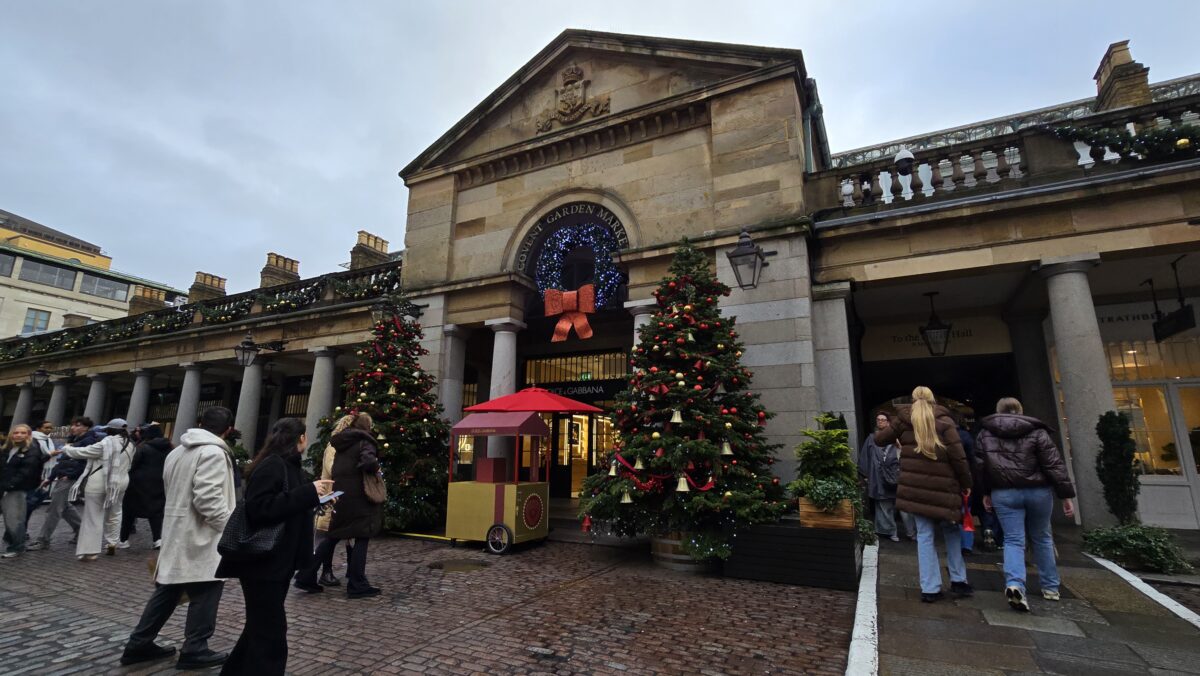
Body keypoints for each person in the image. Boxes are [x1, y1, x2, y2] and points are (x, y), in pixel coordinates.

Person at [121, 407, 237, 670]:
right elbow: (208, 499)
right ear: (228, 430)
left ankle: (139, 643)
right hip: (201, 534)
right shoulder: (213, 453)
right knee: (206, 589)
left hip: (176, 529)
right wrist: (229, 527)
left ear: (200, 423)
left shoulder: (177, 451)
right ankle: (195, 648)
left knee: (169, 589)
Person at [216, 418, 332, 675]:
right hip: (262, 560)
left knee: (260, 626)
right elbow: (260, 509)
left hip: (278, 561)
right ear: (300, 438)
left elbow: (290, 503)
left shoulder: (289, 466)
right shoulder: (272, 465)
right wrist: (308, 493)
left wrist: (316, 496)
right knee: (271, 632)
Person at [976, 397, 1076, 612]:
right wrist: (1066, 495)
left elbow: (981, 467)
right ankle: (1050, 587)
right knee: (1042, 537)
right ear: (1021, 410)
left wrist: (985, 493)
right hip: (1037, 491)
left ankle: (1015, 584)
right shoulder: (1037, 431)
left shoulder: (986, 433)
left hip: (1004, 492)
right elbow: (1054, 465)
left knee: (1013, 540)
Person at [877, 386, 973, 603]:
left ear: (912, 400)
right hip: (944, 486)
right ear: (933, 399)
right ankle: (959, 580)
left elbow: (879, 439)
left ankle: (930, 587)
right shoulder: (944, 420)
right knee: (951, 531)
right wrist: (966, 483)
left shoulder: (905, 419)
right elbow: (959, 457)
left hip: (916, 488)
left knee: (924, 536)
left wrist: (898, 432)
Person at [296, 413, 383, 598]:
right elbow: (368, 461)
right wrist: (376, 468)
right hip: (360, 495)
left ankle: (305, 574)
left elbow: (335, 468)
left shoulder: (341, 443)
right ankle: (357, 583)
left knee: (333, 535)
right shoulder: (365, 441)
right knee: (362, 535)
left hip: (342, 494)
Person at [294, 414, 355, 592]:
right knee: (330, 535)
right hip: (333, 496)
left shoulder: (345, 446)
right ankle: (321, 572)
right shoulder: (335, 446)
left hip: (340, 496)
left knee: (341, 535)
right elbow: (333, 469)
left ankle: (346, 572)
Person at [63, 418, 135, 560]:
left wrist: (67, 448)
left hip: (99, 481)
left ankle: (90, 551)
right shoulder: (131, 445)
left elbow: (82, 452)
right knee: (115, 512)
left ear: (109, 430)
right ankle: (112, 542)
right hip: (120, 482)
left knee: (93, 515)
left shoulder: (106, 443)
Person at [28, 417, 93, 550]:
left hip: (69, 478)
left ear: (86, 427)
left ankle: (43, 539)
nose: (73, 427)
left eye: (77, 425)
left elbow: (86, 463)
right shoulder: (73, 439)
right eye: (73, 425)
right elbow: (62, 461)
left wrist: (69, 475)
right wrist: (50, 478)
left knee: (55, 508)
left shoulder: (89, 441)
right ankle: (81, 531)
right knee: (64, 506)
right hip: (64, 476)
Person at [120, 423, 171, 549]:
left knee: (129, 512)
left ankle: (123, 540)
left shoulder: (143, 448)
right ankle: (157, 539)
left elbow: (133, 463)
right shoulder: (170, 448)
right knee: (157, 513)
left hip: (138, 484)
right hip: (159, 482)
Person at [1, 424, 48, 558]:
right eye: (16, 433)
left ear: (28, 435)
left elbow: (26, 472)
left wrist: (10, 485)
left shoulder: (31, 450)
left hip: (17, 489)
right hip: (6, 487)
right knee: (11, 518)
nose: (19, 435)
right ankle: (13, 541)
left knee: (15, 519)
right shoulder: (8, 449)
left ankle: (17, 547)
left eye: (22, 433)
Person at [859, 412, 902, 542]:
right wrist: (865, 474)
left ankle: (886, 529)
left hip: (893, 475)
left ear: (888, 422)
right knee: (881, 503)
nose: (880, 422)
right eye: (878, 420)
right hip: (877, 475)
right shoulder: (871, 438)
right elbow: (865, 456)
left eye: (883, 420)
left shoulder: (895, 438)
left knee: (888, 504)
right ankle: (887, 530)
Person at [25, 421, 57, 526]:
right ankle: (18, 530)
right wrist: (49, 455)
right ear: (38, 429)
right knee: (28, 505)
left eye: (50, 428)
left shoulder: (48, 440)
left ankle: (20, 529)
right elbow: (34, 460)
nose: (49, 430)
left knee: (30, 504)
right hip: (32, 475)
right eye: (46, 427)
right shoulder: (33, 440)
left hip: (41, 475)